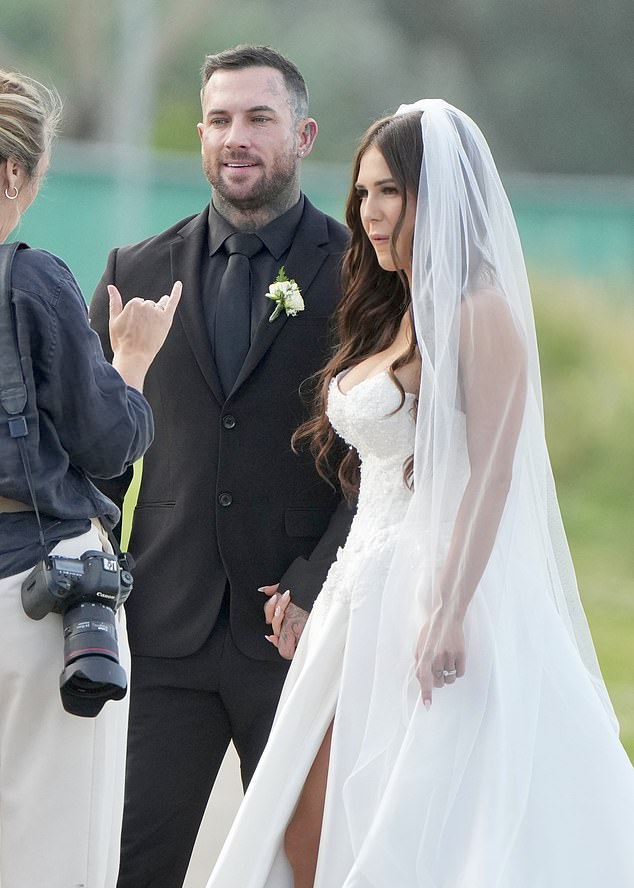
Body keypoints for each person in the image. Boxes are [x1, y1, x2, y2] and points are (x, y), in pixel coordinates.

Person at [204, 101, 634, 887]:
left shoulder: (480, 312)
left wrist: (450, 607)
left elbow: (495, 470)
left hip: (438, 583)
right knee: (310, 809)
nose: (369, 212)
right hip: (358, 589)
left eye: (390, 193)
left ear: (435, 196)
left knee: (421, 817)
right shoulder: (394, 309)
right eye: (363, 192)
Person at [88, 45, 352, 887]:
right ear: (202, 134)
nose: (235, 137)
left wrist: (316, 580)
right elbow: (101, 449)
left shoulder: (358, 274)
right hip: (163, 627)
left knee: (302, 865)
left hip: (298, 631)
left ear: (303, 134)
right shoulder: (134, 271)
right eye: (219, 119)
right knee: (134, 862)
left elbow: (387, 467)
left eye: (258, 118)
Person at [0, 70, 180, 888]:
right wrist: (132, 358)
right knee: (53, 848)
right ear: (15, 174)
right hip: (36, 600)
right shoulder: (30, 279)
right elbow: (110, 441)